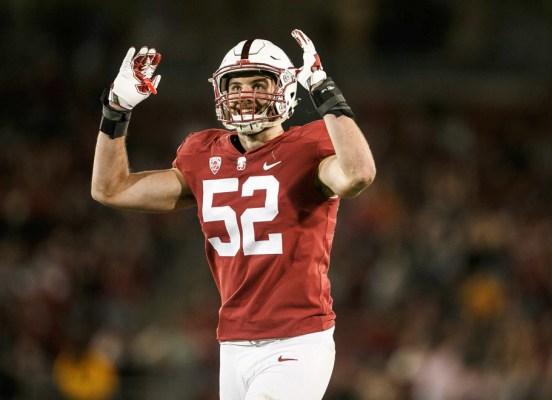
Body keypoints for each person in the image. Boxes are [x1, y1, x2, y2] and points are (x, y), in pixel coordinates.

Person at [91, 29, 376, 399]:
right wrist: (116, 110)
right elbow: (109, 189)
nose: (245, 94)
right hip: (234, 343)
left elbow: (359, 174)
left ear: (287, 88)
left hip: (297, 340)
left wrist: (323, 89)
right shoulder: (203, 154)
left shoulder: (309, 148)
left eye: (259, 83)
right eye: (236, 84)